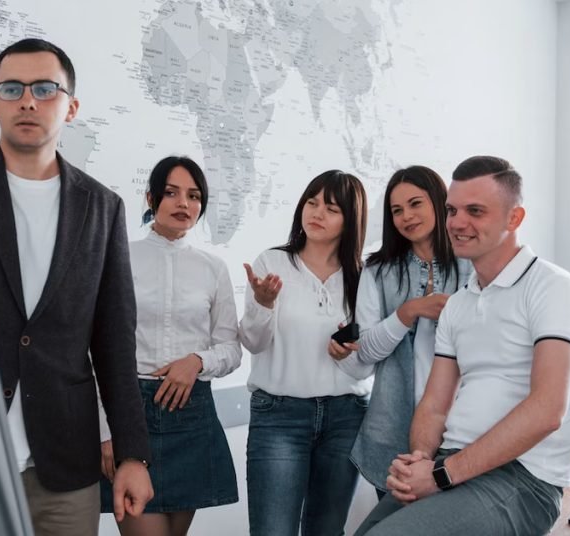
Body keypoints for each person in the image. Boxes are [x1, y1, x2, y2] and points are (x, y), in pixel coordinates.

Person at [0, 38, 152, 535]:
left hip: (63, 467)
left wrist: (132, 454)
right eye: (12, 88)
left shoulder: (102, 208)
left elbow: (113, 344)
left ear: (71, 106)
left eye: (45, 89)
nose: (27, 100)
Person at [355, 156, 570, 535]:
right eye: (452, 210)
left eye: (476, 211)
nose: (457, 222)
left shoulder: (554, 288)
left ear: (514, 219)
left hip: (523, 479)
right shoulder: (461, 304)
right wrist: (420, 461)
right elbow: (435, 406)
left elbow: (548, 410)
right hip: (451, 465)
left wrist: (439, 475)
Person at [97, 156, 241, 536]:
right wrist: (104, 430)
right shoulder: (118, 257)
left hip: (191, 412)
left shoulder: (213, 267)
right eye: (172, 193)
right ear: (151, 198)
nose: (184, 204)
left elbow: (231, 349)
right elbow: (94, 349)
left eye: (194, 196)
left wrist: (196, 361)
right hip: (130, 413)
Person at [240, 170, 370, 536]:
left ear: (350, 219)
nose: (317, 213)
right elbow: (253, 342)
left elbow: (367, 363)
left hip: (346, 417)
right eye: (312, 203)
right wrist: (263, 305)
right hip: (280, 416)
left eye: (331, 208)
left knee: (326, 530)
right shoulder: (272, 263)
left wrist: (350, 354)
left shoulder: (363, 276)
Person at [328, 166, 471, 498]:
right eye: (396, 210)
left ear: (439, 201)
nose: (406, 216)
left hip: (463, 431)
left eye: (415, 203)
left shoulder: (472, 264)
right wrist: (408, 312)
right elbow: (366, 352)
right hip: (394, 432)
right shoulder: (378, 271)